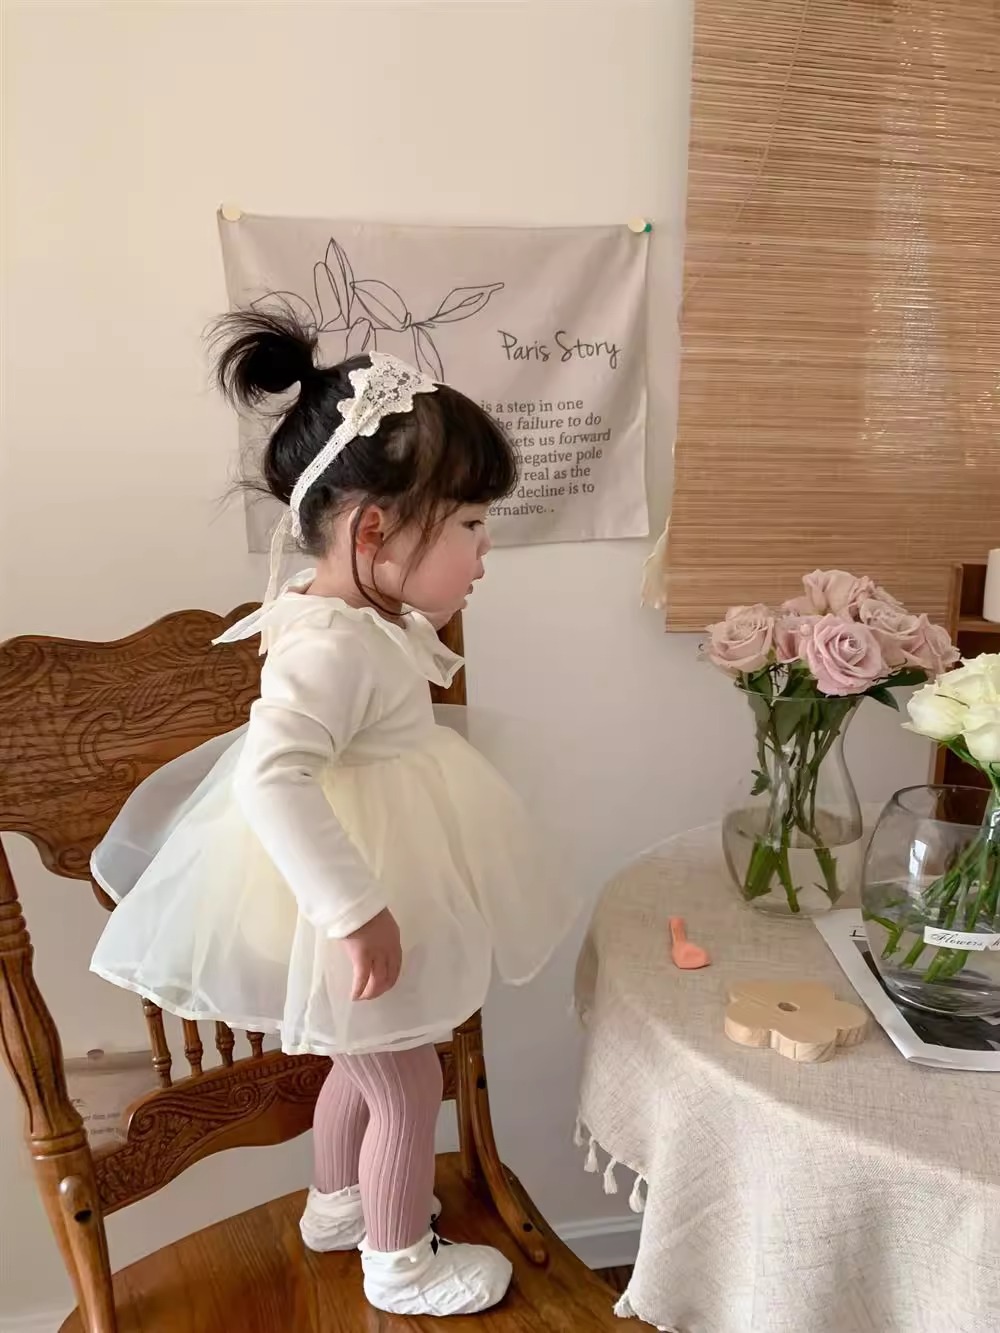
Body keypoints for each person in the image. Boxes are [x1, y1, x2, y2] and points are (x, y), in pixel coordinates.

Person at [89, 311, 578, 1317]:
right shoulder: (335, 645)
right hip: (344, 896)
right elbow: (273, 777)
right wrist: (353, 910)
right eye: (469, 525)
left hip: (371, 873)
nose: (485, 552)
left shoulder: (354, 619)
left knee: (367, 1058)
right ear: (374, 533)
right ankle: (399, 1263)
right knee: (404, 1079)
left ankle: (335, 1204)